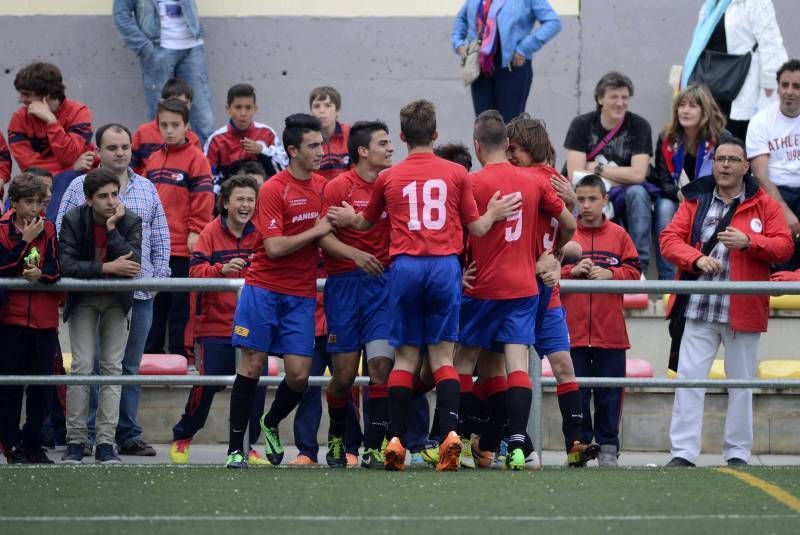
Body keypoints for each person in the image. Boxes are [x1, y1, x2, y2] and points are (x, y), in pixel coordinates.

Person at [326, 99, 521, 471]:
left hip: (404, 269)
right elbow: (477, 228)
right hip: (444, 266)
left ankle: (395, 441)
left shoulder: (388, 177)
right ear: (435, 134)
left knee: (406, 357)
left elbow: (366, 225)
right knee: (443, 357)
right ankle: (448, 434)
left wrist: (351, 218)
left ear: (402, 136)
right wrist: (494, 213)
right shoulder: (455, 174)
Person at [661, 135, 792, 468]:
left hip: (743, 309)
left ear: (746, 166)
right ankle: (683, 453)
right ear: (713, 163)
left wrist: (750, 242)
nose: (725, 165)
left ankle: (737, 453)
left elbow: (784, 247)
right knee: (689, 381)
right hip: (699, 307)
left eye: (733, 160)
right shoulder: (695, 198)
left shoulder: (764, 203)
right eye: (720, 159)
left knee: (742, 386)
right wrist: (695, 259)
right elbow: (668, 240)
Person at [457, 110, 575, 470]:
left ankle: (457, 442)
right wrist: (551, 254)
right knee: (515, 366)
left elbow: (465, 234)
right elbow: (571, 225)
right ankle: (518, 447)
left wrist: (461, 270)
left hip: (485, 285)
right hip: (524, 286)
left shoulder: (473, 181)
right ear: (505, 144)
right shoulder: (535, 181)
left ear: (478, 146)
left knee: (462, 363)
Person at [56, 123, 171, 457]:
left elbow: (161, 238)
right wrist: (106, 268)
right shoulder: (78, 187)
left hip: (137, 292)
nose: (120, 153)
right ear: (99, 151)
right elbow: (65, 241)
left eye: (125, 147)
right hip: (88, 293)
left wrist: (157, 282)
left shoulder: (147, 188)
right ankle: (84, 435)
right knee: (86, 365)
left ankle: (125, 435)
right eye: (113, 147)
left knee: (125, 366)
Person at [225, 114, 332, 469]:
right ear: (292, 150)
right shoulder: (273, 189)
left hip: (301, 296)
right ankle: (235, 450)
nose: (321, 151)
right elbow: (273, 248)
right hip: (264, 290)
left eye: (322, 144)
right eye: (313, 145)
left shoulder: (323, 187)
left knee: (300, 374)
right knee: (251, 367)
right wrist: (317, 231)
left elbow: (331, 232)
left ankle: (269, 422)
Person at [505, 114, 601, 467]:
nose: (509, 155)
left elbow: (571, 240)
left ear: (528, 146)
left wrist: (556, 254)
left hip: (547, 293)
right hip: (516, 288)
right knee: (505, 370)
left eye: (513, 148)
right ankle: (513, 441)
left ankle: (575, 442)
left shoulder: (551, 181)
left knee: (563, 365)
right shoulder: (522, 180)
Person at [170, 175, 269, 466]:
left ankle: (247, 446)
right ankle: (183, 435)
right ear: (225, 203)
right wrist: (220, 269)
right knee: (207, 384)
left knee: (255, 386)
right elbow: (194, 273)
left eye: (250, 199)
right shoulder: (210, 232)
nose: (246, 205)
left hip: (251, 323)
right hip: (213, 325)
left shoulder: (261, 232)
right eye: (239, 199)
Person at [316, 120, 395, 468]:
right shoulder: (337, 187)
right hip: (345, 287)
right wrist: (356, 255)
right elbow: (322, 236)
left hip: (382, 288)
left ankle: (373, 448)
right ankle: (337, 436)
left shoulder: (393, 185)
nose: (390, 148)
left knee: (380, 368)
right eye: (383, 143)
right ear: (362, 151)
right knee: (344, 376)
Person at [59, 168, 143, 465]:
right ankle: (76, 442)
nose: (111, 201)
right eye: (103, 196)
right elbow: (65, 265)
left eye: (114, 194)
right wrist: (106, 269)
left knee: (112, 368)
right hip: (83, 299)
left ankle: (106, 443)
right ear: (88, 199)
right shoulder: (72, 219)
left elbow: (133, 265)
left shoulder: (129, 220)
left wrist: (112, 229)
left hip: (117, 302)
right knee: (81, 366)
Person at [560, 174, 641, 467]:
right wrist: (571, 272)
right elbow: (546, 270)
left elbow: (635, 272)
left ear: (606, 200)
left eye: (593, 199)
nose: (586, 205)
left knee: (609, 393)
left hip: (611, 333)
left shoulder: (620, 235)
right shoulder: (565, 233)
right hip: (572, 332)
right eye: (580, 199)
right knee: (576, 394)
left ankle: (608, 448)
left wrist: (611, 274)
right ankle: (578, 448)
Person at [142, 98, 213, 358]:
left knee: (180, 306)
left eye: (175, 124)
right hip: (154, 247)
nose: (169, 130)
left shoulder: (197, 159)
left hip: (183, 247)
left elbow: (204, 199)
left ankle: (180, 356)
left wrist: (195, 230)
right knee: (155, 303)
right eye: (164, 125)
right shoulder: (152, 159)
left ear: (187, 126)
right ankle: (151, 354)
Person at [564, 72, 654, 276]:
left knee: (639, 194)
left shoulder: (640, 126)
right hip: (588, 190)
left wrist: (597, 168)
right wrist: (623, 173)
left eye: (625, 97)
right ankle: (574, 263)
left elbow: (639, 175)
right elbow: (576, 175)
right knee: (578, 197)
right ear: (600, 99)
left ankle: (640, 268)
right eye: (614, 97)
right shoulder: (582, 124)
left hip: (625, 192)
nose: (620, 103)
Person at [0, 173, 61, 464]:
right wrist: (25, 241)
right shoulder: (1, 228)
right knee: (10, 388)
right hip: (11, 321)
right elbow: (3, 267)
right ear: (13, 202)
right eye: (28, 202)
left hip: (45, 321)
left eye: (39, 202)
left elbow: (57, 268)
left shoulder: (49, 228)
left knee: (42, 390)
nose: (34, 209)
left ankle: (33, 442)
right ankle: (10, 444)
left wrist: (42, 275)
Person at [651, 85, 728, 280]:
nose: (685, 110)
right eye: (681, 105)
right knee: (663, 207)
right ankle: (667, 279)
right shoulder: (667, 139)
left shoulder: (721, 139)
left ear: (705, 111)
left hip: (711, 198)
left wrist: (696, 196)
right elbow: (663, 180)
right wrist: (680, 194)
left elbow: (726, 178)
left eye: (692, 106)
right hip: (676, 197)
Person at [682, 0, 787, 140]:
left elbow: (771, 43)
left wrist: (771, 83)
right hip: (712, 91)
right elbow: (698, 48)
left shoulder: (754, 2)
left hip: (741, 90)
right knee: (712, 146)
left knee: (739, 145)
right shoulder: (710, 5)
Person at [112, 0, 214, 144]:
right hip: (157, 50)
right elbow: (120, 16)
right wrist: (144, 47)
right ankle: (161, 164)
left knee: (202, 117)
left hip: (192, 45)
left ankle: (205, 163)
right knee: (160, 116)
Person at [8, 62, 96, 221]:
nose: (21, 99)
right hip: (37, 182)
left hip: (76, 184)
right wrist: (70, 166)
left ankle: (50, 237)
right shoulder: (19, 119)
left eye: (26, 94)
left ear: (46, 96)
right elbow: (31, 169)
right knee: (15, 194)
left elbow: (69, 155)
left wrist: (51, 120)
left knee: (68, 178)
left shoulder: (79, 113)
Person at [451, 0, 561, 122]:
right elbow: (461, 19)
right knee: (483, 126)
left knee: (510, 127)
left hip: (512, 67)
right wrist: (459, 43)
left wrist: (524, 48)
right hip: (480, 67)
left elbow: (553, 23)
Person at [747, 59, 800, 270]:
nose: (789, 91)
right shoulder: (761, 121)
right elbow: (760, 175)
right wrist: (783, 211)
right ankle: (781, 287)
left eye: (796, 86)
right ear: (778, 87)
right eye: (785, 85)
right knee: (781, 233)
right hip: (777, 192)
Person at [204, 83, 288, 194]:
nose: (243, 113)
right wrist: (229, 193)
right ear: (228, 109)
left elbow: (284, 170)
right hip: (230, 202)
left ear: (255, 109)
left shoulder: (267, 133)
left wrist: (262, 151)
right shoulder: (216, 139)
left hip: (266, 199)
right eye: (238, 107)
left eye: (248, 108)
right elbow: (207, 178)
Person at [131, 78, 201, 174]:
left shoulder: (193, 138)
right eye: (173, 102)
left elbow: (197, 173)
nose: (178, 107)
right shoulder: (143, 132)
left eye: (184, 103)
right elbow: (131, 166)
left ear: (190, 105)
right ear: (162, 103)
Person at [309, 86, 351, 181]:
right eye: (316, 106)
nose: (322, 111)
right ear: (311, 111)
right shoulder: (304, 138)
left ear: (337, 110)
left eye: (328, 105)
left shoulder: (351, 134)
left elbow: (358, 173)